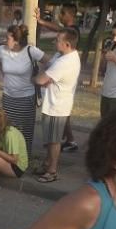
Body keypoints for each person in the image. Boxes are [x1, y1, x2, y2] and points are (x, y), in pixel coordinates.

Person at [34, 28, 81, 183]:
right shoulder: (60, 55)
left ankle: (52, 170)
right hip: (51, 103)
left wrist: (39, 77)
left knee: (54, 141)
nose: (54, 42)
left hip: (57, 106)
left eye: (58, 40)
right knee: (49, 138)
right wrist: (46, 76)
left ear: (67, 44)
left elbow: (40, 80)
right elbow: (47, 69)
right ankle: (47, 163)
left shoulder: (65, 61)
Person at [0, 25, 42, 153]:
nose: (4, 40)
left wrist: (38, 78)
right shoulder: (2, 50)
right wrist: (3, 69)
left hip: (26, 98)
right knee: (8, 128)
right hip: (8, 97)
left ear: (16, 40)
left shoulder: (31, 51)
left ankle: (24, 158)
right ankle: (9, 155)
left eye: (7, 37)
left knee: (25, 130)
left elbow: (50, 62)